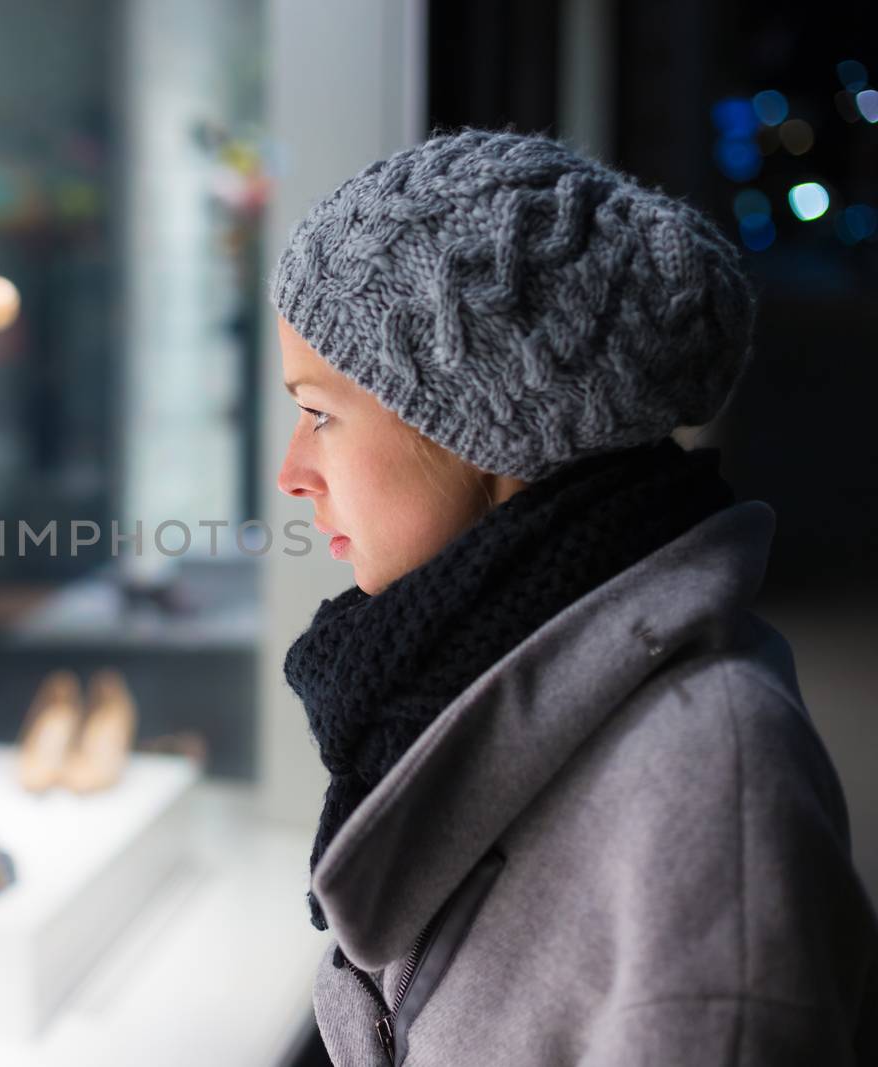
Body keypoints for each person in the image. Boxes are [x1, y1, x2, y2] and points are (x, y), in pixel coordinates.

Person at [270, 129, 877, 1065]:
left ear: (484, 423)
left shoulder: (711, 781)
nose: (291, 471)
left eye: (320, 414)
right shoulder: (444, 671)